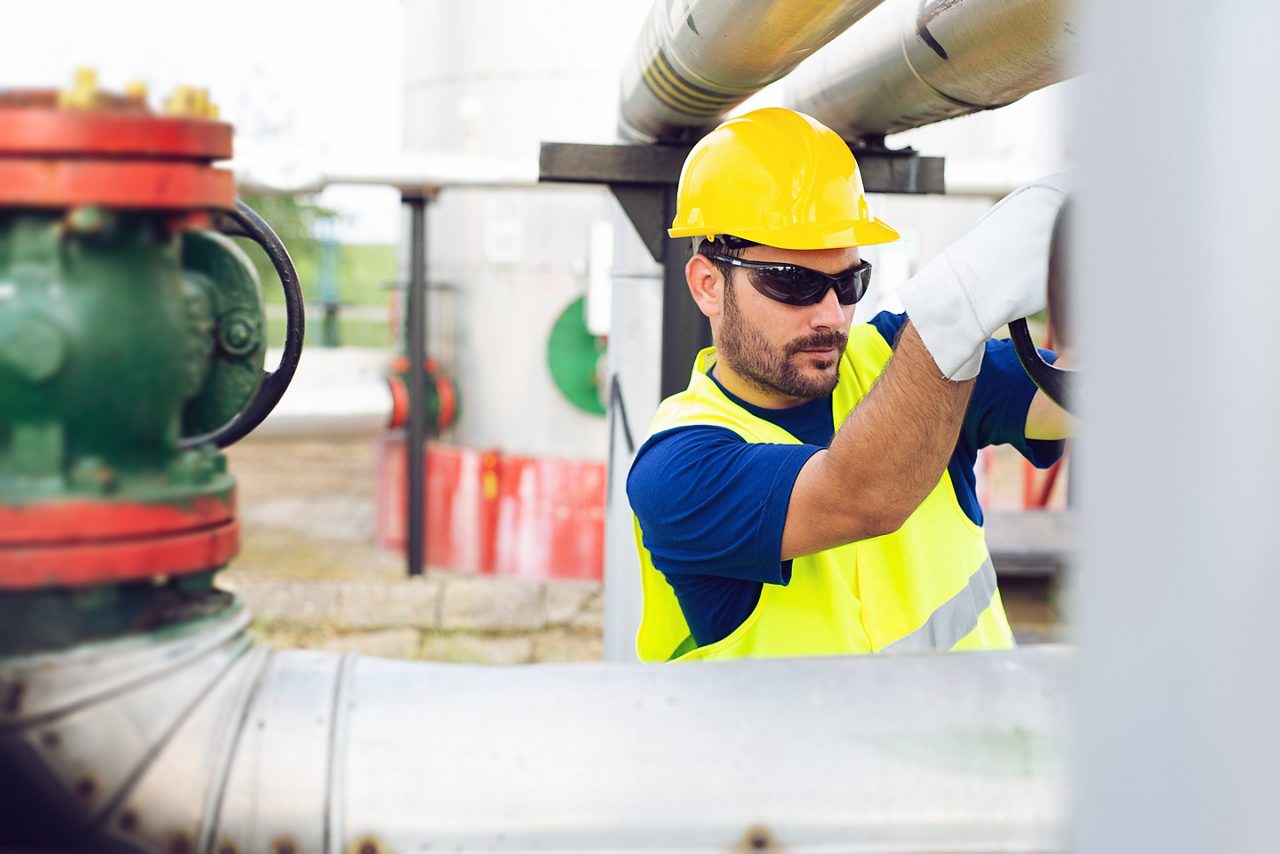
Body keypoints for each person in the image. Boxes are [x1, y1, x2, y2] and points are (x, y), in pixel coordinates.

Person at [627, 107, 1071, 662]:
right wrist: (962, 299)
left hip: (980, 744)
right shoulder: (678, 470)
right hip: (800, 752)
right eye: (792, 282)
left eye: (848, 282)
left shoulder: (896, 358)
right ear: (708, 284)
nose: (831, 316)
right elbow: (860, 497)